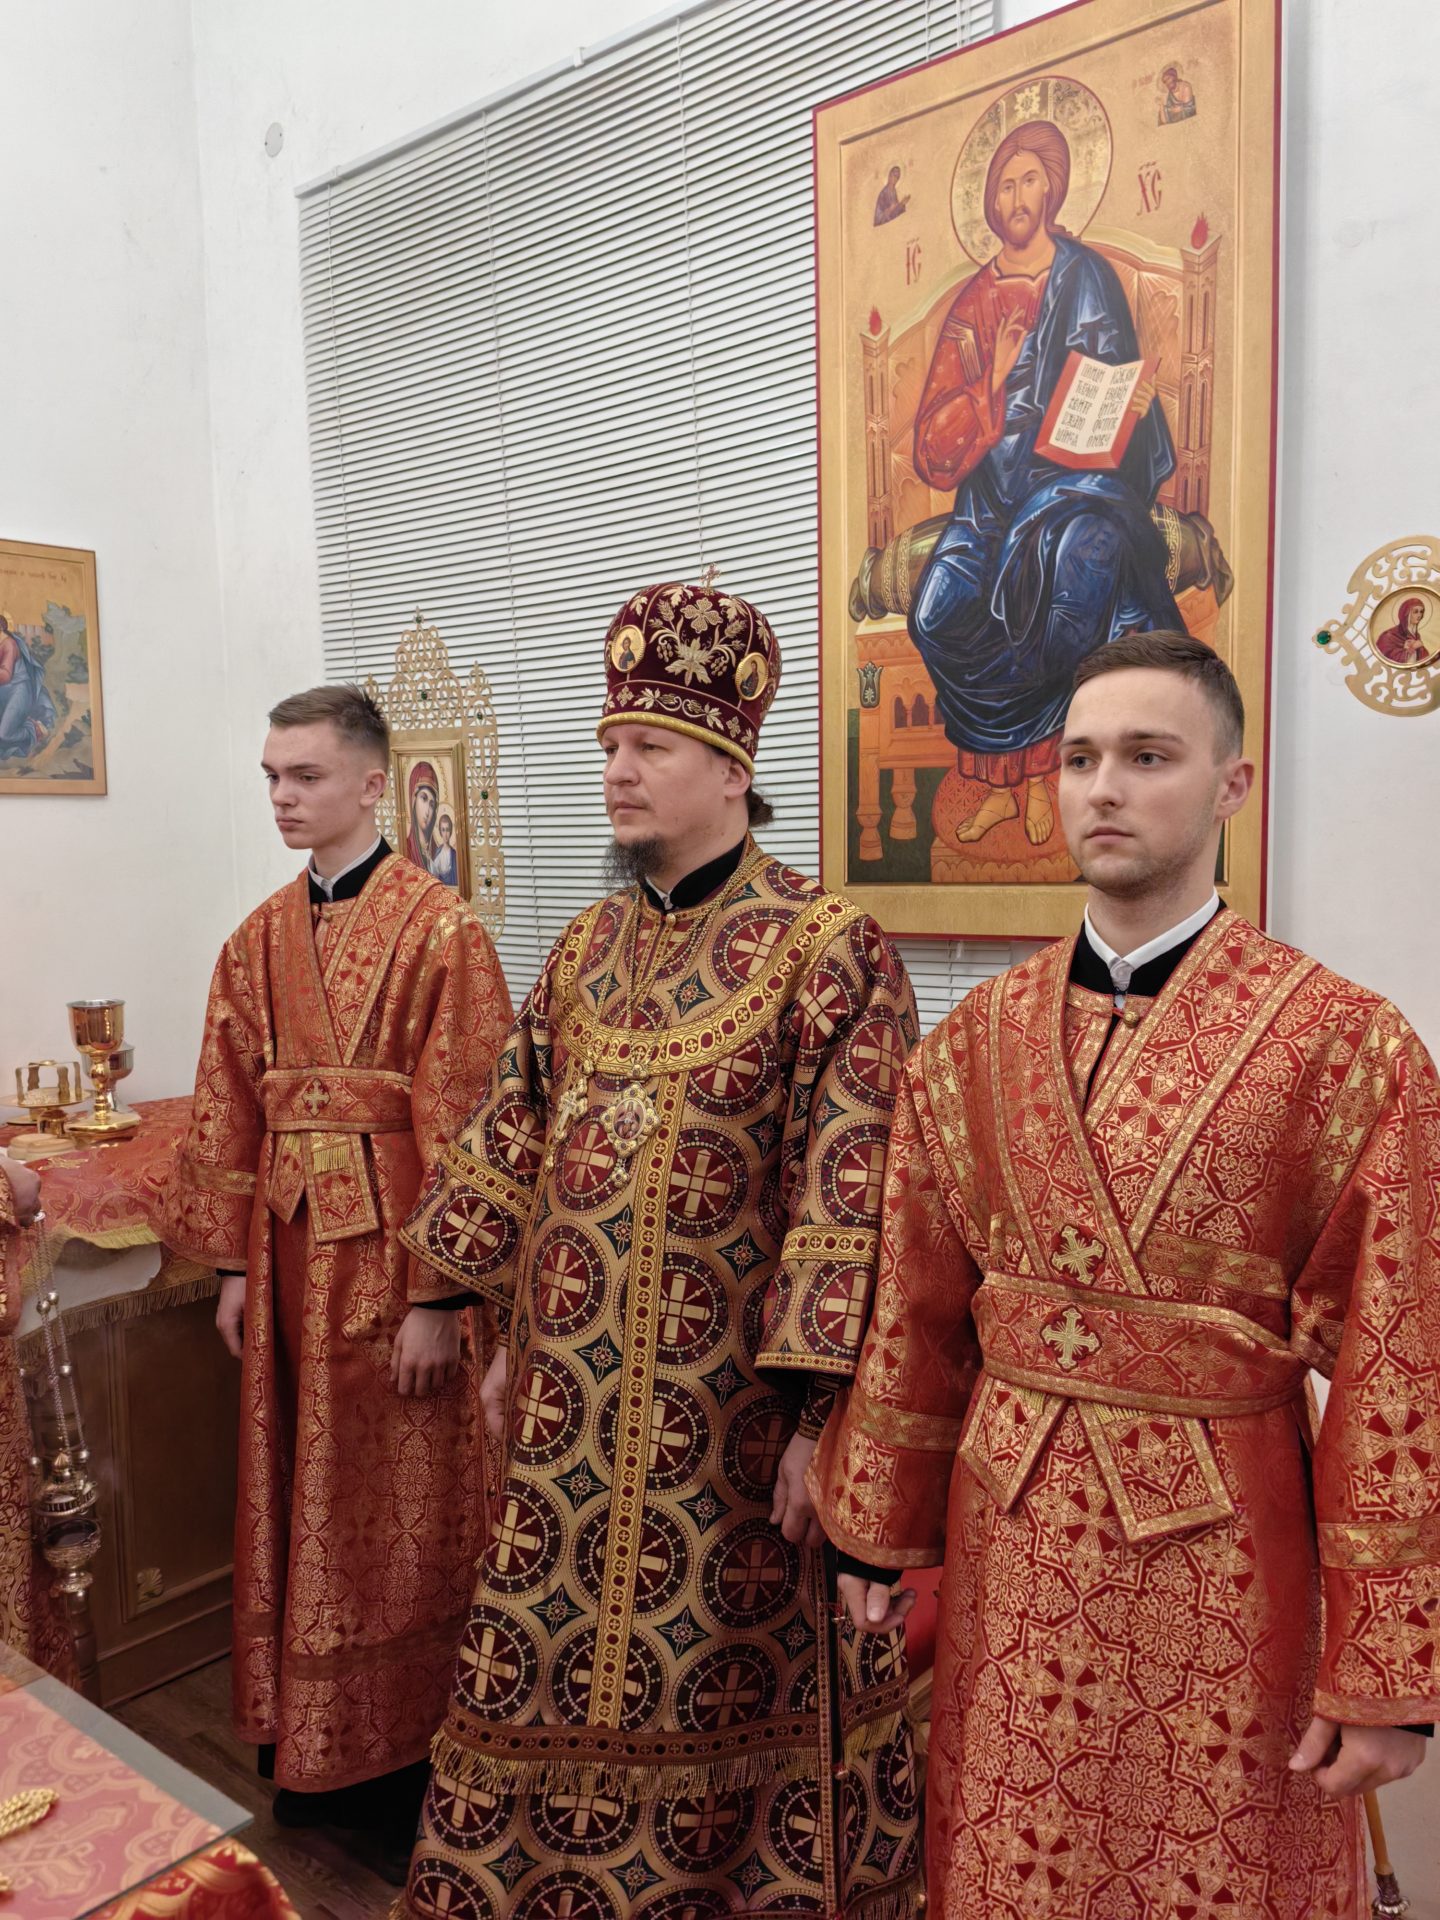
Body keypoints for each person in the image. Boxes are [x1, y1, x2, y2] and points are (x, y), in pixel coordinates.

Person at [810, 630, 1440, 1919]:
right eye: (1080, 758)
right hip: (1012, 1543)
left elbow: (1401, 1368)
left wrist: (1392, 1671)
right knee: (1008, 1855)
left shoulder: (1345, 1046)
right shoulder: (973, 1043)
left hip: (1226, 1560)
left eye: (1149, 757)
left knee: (1216, 1862)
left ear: (1231, 785)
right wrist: (876, 1526)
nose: (1104, 788)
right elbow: (917, 1312)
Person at [398, 581, 922, 1920]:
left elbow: (854, 1193)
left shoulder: (829, 950)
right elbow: (513, 1136)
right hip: (567, 1423)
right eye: (610, 745)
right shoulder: (585, 946)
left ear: (733, 768)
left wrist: (824, 1420)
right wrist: (477, 1316)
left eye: (650, 747)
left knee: (727, 1686)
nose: (617, 770)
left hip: (735, 1432)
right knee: (540, 1666)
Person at [165, 685, 513, 1879]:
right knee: (295, 1489)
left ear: (373, 783)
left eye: (304, 776)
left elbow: (473, 1117)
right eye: (270, 776)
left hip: (397, 1262)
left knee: (409, 1503)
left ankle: (412, 1752)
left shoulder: (444, 932)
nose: (281, 796)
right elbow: (226, 1101)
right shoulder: (256, 938)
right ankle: (311, 1743)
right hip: (284, 1256)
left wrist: (442, 1296)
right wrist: (228, 1265)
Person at [907, 120, 1180, 850]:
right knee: (933, 615)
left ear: (1054, 189)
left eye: (1029, 180)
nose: (1017, 197)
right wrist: (992, 383)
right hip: (986, 504)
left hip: (1073, 485)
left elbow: (1112, 382)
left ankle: (1036, 785)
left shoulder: (1085, 276)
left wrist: (1128, 409)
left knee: (1066, 583)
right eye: (1004, 184)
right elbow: (932, 446)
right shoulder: (974, 302)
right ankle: (1001, 787)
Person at [0, 614, 57, 760]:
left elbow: (5, 675)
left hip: (19, 691)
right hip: (4, 691)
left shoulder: (9, 644)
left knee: (5, 734)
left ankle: (34, 729)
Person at [1375, 596, 1430, 667]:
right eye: (1415, 612)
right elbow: (1386, 659)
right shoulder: (1389, 635)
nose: (1419, 615)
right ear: (1406, 614)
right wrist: (1410, 649)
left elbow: (1425, 660)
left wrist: (1420, 647)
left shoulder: (1416, 636)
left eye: (1421, 612)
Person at [406, 760, 441, 873]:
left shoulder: (438, 852)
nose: (427, 811)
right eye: (424, 798)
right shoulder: (405, 848)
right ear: (413, 799)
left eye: (432, 804)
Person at [430, 810, 459, 888]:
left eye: (447, 830)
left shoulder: (454, 854)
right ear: (440, 831)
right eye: (443, 830)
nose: (445, 834)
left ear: (451, 831)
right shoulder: (438, 853)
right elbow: (434, 875)